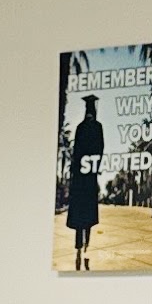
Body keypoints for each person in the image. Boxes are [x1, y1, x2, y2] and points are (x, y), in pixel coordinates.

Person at [61, 89, 106, 273]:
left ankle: (79, 248)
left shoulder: (80, 127)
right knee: (88, 214)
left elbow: (76, 152)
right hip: (90, 174)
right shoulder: (98, 126)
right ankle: (86, 246)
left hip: (80, 177)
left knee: (80, 215)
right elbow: (100, 149)